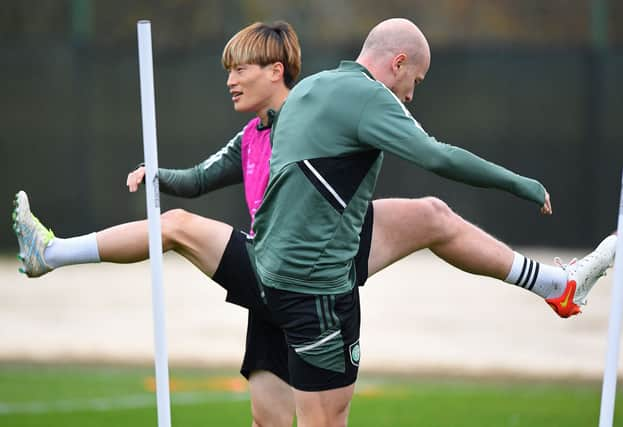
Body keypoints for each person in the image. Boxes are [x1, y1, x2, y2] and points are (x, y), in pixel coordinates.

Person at [12, 18, 616, 426]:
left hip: (297, 259)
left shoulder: (309, 99)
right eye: (414, 82)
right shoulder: (277, 124)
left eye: (240, 70)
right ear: (400, 63)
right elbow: (435, 155)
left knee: (431, 215)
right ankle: (52, 252)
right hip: (299, 278)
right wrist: (521, 182)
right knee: (179, 227)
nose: (230, 80)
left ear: (277, 72)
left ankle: (556, 285)